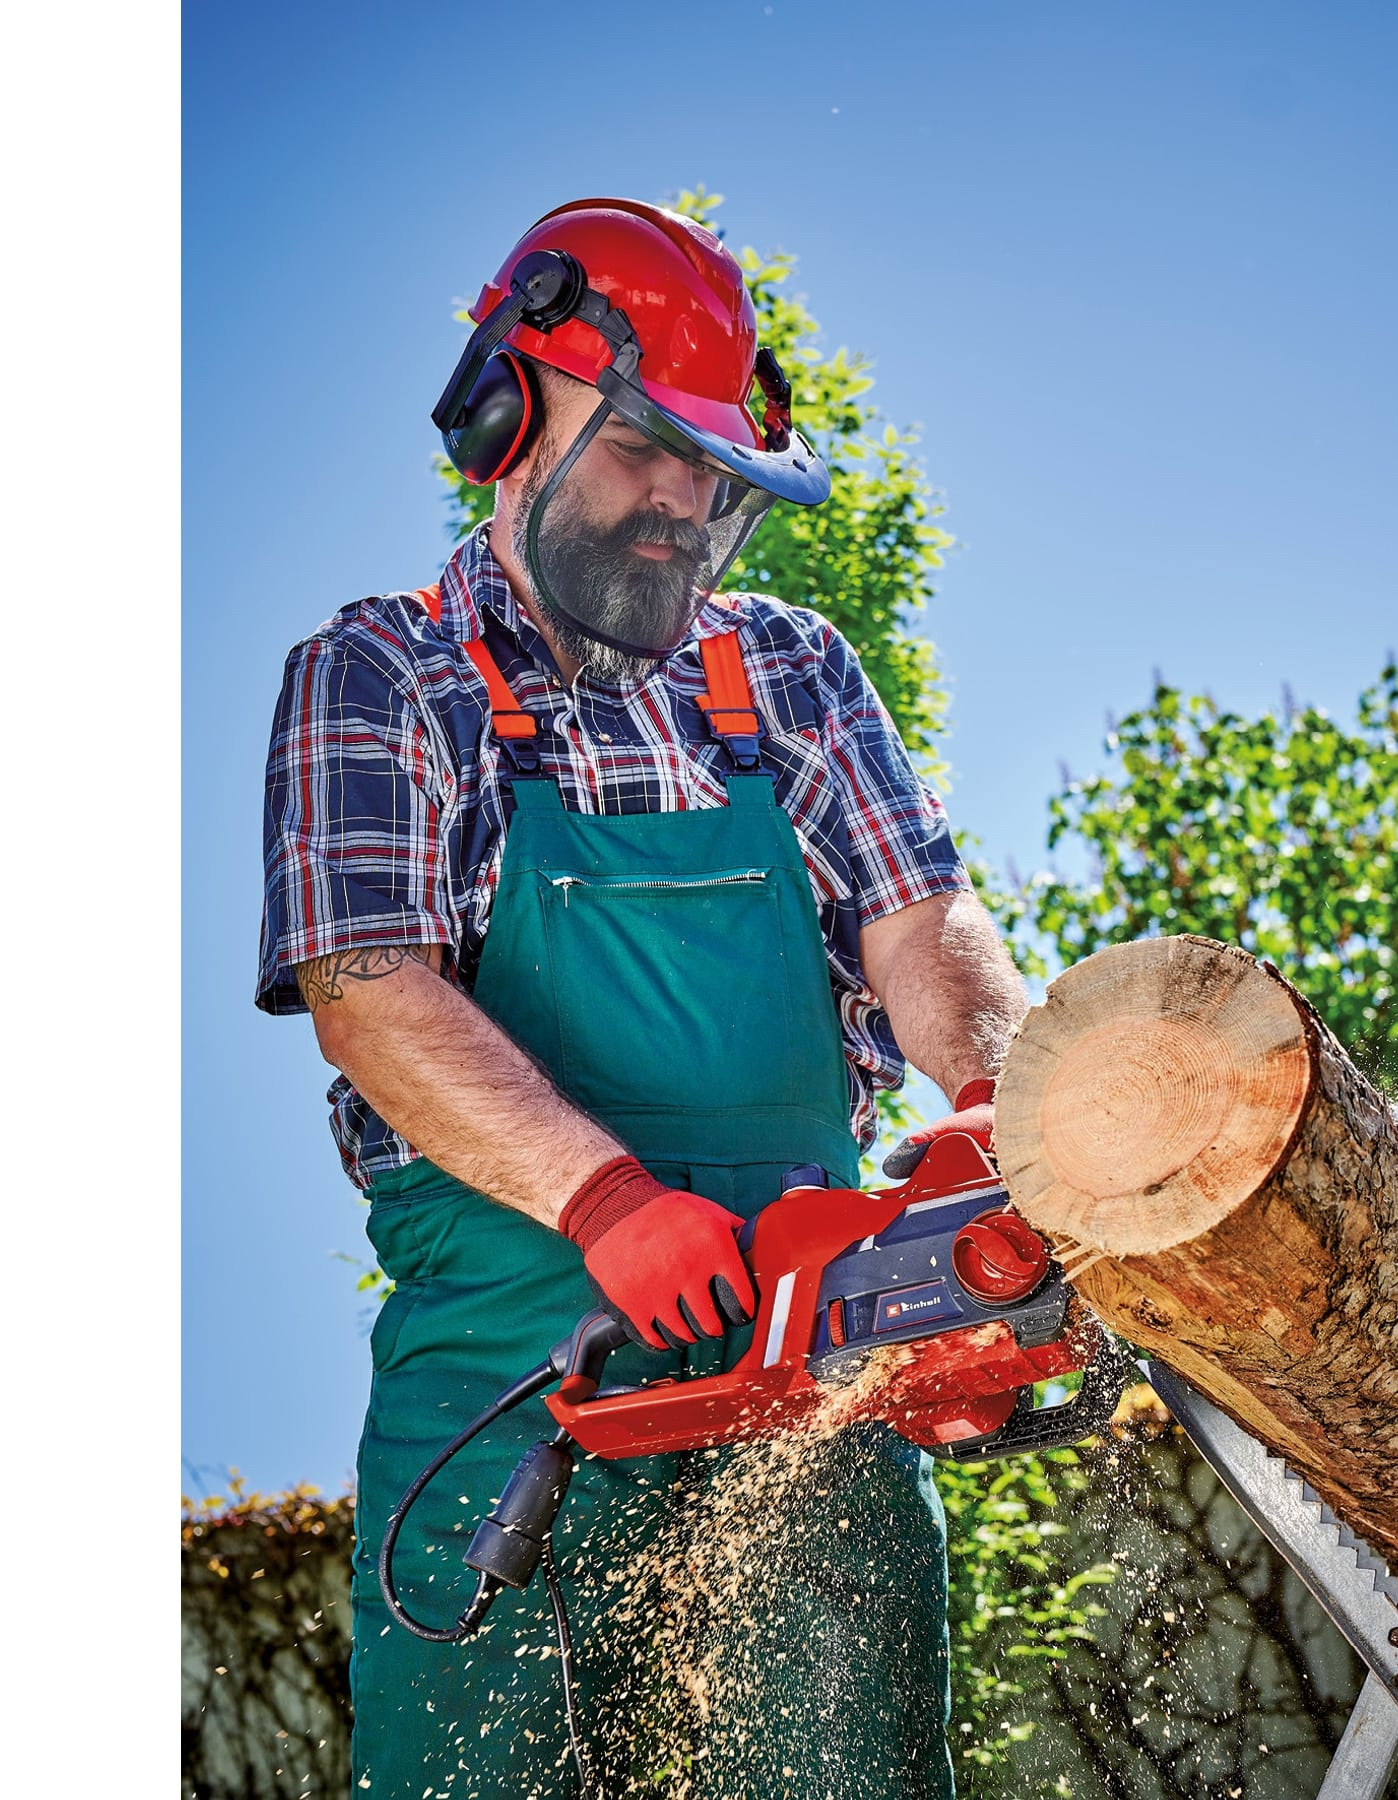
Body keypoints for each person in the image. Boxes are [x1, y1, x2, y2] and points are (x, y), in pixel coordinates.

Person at [256, 196, 1027, 1797]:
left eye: (715, 472)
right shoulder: (383, 675)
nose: (683, 502)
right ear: (507, 416)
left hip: (801, 1391)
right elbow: (367, 987)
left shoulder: (792, 671)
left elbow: (920, 919)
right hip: (506, 1400)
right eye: (643, 451)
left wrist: (995, 1129)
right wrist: (606, 1200)